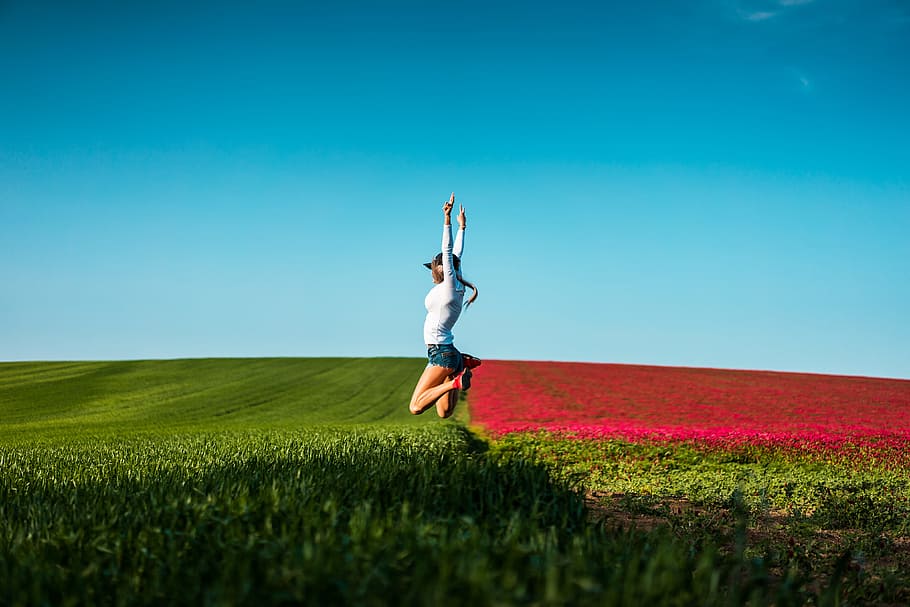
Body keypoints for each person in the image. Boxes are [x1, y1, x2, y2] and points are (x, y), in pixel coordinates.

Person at [408, 193, 481, 418]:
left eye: (433, 267)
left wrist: (447, 219)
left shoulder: (449, 285)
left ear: (441, 269)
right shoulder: (455, 286)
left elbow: (449, 252)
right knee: (444, 412)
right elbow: (457, 255)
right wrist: (463, 227)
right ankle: (460, 370)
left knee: (416, 407)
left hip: (441, 351)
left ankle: (455, 381)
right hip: (449, 352)